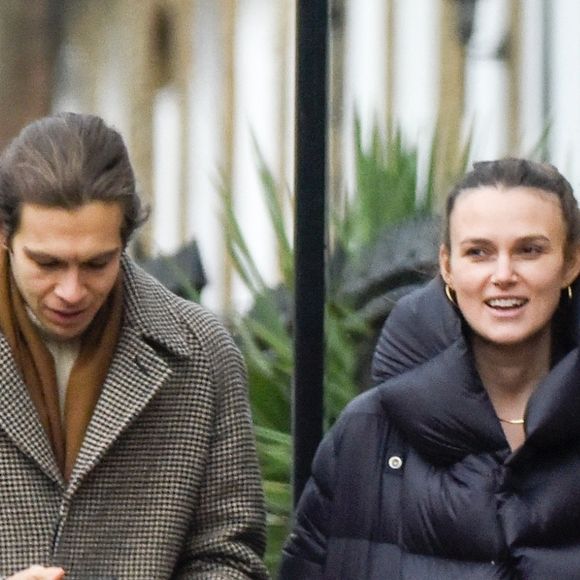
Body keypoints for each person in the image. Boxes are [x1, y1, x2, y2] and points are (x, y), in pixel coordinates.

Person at [279, 158, 580, 579]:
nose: (503, 275)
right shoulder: (367, 435)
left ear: (570, 263)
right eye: (479, 252)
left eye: (529, 250)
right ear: (447, 266)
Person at [0, 112, 269, 580]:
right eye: (46, 263)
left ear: (125, 242)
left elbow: (230, 557)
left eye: (96, 264)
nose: (70, 290)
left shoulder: (203, 354)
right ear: (5, 238)